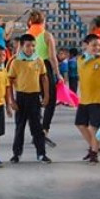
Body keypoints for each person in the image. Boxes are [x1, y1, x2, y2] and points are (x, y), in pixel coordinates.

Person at [7, 34, 51, 164]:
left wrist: (46, 95)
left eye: (33, 46)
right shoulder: (15, 62)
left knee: (37, 127)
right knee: (19, 127)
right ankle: (17, 154)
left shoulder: (38, 60)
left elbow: (44, 78)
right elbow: (9, 81)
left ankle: (41, 154)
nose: (30, 48)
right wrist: (11, 100)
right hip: (21, 97)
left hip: (34, 97)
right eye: (27, 46)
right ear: (21, 46)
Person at [25, 11, 62, 147]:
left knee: (33, 102)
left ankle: (35, 132)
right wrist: (58, 74)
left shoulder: (26, 35)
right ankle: (44, 130)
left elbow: (18, 55)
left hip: (28, 69)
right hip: (44, 68)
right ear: (43, 21)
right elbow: (52, 57)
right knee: (50, 101)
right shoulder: (47, 35)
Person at [75, 34, 100, 164]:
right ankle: (94, 146)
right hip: (84, 98)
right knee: (80, 124)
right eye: (93, 45)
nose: (97, 48)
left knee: (94, 127)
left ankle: (94, 153)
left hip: (98, 99)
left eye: (99, 45)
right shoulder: (80, 60)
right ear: (86, 46)